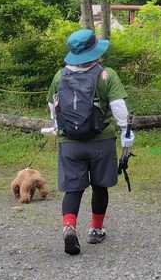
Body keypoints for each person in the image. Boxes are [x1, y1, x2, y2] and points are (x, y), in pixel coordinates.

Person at [46, 29, 133, 256]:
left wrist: (60, 128)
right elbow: (120, 110)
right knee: (100, 185)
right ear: (94, 51)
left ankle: (69, 227)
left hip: (69, 142)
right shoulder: (106, 74)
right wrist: (127, 137)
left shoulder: (59, 76)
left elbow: (53, 109)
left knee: (73, 189)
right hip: (101, 141)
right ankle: (96, 229)